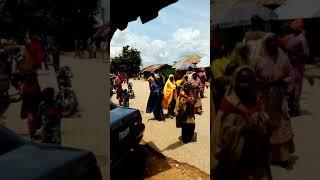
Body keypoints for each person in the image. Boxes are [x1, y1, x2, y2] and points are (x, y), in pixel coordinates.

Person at [211, 66, 272, 180]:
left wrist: (262, 130)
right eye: (242, 81)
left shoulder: (257, 105)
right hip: (233, 163)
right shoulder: (228, 107)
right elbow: (217, 137)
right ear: (235, 82)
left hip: (254, 160)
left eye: (248, 81)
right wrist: (241, 130)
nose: (245, 85)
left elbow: (266, 132)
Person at [255, 33, 295, 169]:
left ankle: (282, 158)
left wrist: (282, 82)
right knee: (265, 125)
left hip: (278, 98)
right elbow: (253, 78)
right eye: (269, 43)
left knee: (281, 124)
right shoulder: (259, 60)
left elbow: (291, 76)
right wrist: (261, 84)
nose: (272, 45)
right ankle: (268, 156)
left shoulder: (283, 58)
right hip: (264, 98)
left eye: (274, 42)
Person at [285, 19, 310, 116]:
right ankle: (290, 107)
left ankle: (295, 108)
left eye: (294, 28)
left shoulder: (302, 38)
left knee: (296, 88)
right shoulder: (291, 36)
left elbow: (306, 54)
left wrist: (295, 53)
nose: (292, 29)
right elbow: (283, 42)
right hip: (289, 65)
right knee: (289, 86)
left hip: (298, 66)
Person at [20, 72, 42, 140]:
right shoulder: (27, 85)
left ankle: (33, 133)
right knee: (32, 120)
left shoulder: (32, 84)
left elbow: (39, 94)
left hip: (33, 104)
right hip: (30, 105)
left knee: (33, 120)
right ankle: (32, 134)